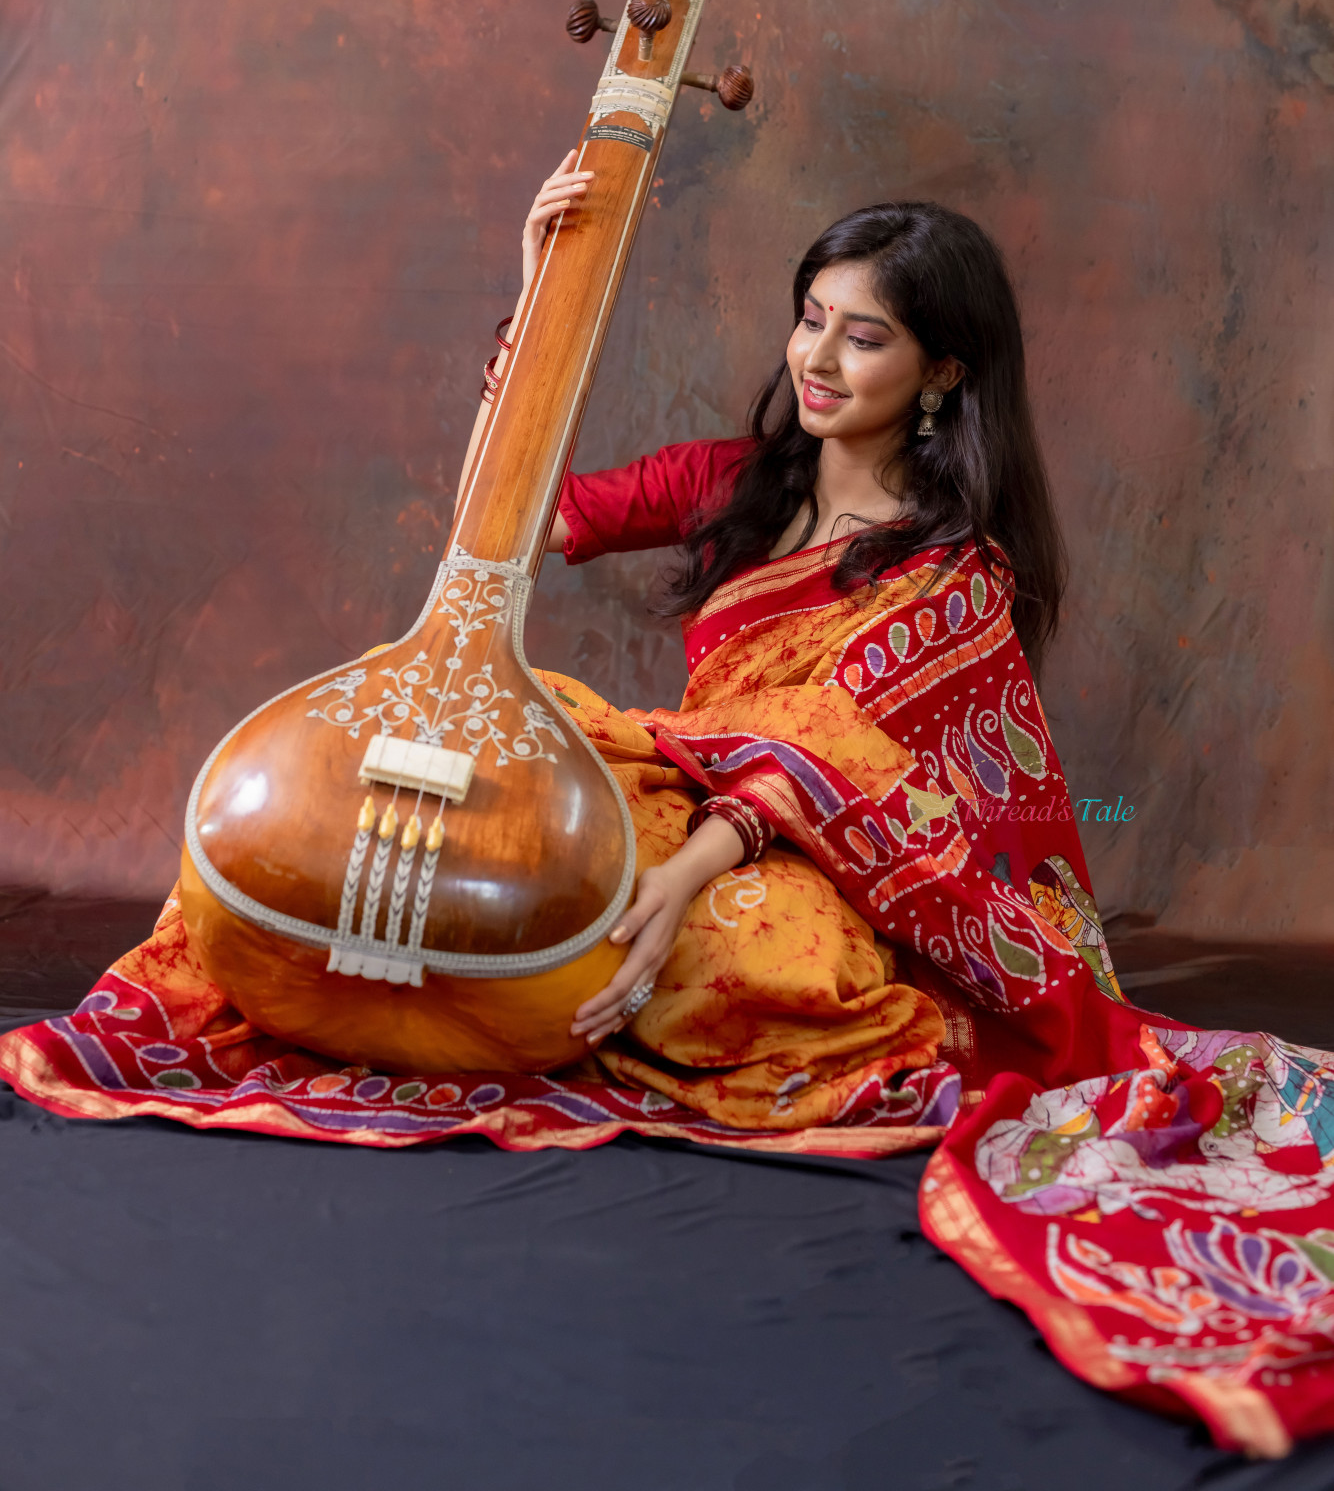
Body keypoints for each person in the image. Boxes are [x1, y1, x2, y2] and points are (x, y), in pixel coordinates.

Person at [4, 153, 1334, 1457]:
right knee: (474, 775)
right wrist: (541, 287)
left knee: (746, 958)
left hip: (799, 857)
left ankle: (518, 996)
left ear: (941, 373)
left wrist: (679, 882)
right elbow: (506, 518)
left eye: (861, 338)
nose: (816, 359)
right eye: (809, 319)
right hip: (669, 788)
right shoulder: (734, 483)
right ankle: (464, 987)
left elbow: (839, 763)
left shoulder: (950, 568)